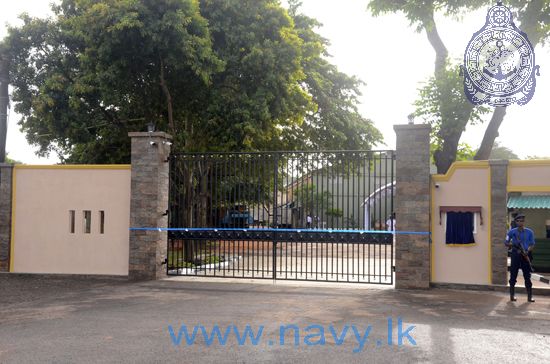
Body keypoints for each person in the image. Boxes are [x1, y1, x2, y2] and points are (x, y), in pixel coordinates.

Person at [504, 214, 536, 302]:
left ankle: (529, 296)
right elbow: (506, 242)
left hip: (525, 255)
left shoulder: (529, 232)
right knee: (513, 274)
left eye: (521, 221)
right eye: (518, 221)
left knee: (527, 275)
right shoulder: (511, 232)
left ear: (524, 222)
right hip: (515, 255)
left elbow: (532, 244)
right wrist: (513, 244)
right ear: (515, 222)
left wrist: (527, 251)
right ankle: (512, 295)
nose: (520, 222)